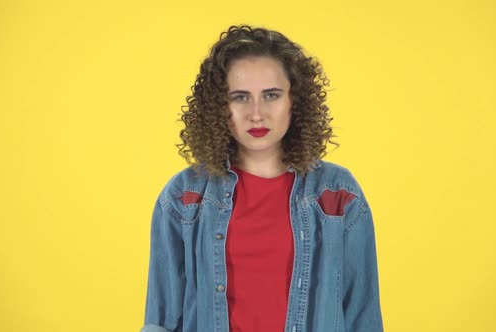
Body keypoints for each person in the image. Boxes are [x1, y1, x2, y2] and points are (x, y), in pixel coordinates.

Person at [141, 25, 383, 332]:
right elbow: (161, 319)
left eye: (271, 95)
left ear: (295, 100)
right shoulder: (185, 196)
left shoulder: (336, 194)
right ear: (220, 106)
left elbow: (363, 315)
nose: (257, 114)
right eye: (240, 97)